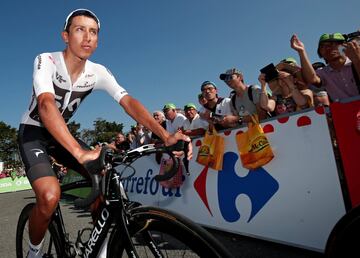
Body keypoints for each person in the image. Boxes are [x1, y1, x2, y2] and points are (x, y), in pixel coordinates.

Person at [17, 9, 192, 258]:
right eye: (80, 30)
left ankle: (100, 250)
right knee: (49, 195)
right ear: (65, 36)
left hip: (61, 135)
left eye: (93, 32)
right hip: (33, 132)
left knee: (107, 184)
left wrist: (165, 136)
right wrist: (79, 153)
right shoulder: (46, 60)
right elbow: (46, 105)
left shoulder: (97, 71)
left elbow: (127, 101)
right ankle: (33, 252)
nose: (87, 37)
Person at [290, 33, 360, 101]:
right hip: (343, 111)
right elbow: (312, 79)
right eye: (322, 46)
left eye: (333, 44)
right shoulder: (323, 73)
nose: (328, 48)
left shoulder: (355, 62)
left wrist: (357, 60)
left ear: (345, 47)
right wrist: (301, 51)